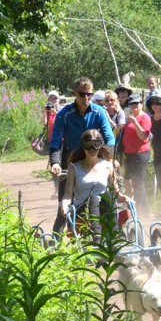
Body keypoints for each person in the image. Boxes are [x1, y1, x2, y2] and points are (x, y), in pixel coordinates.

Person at [49, 77, 116, 236]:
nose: (86, 98)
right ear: (74, 94)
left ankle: (108, 236)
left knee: (105, 198)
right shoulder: (64, 114)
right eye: (82, 94)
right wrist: (55, 163)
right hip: (70, 160)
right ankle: (54, 246)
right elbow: (56, 141)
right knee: (64, 207)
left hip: (94, 157)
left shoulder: (98, 112)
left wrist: (110, 160)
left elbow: (109, 137)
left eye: (90, 95)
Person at [60, 129, 130, 239]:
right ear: (83, 146)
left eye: (96, 145)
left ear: (100, 145)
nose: (92, 149)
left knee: (108, 195)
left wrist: (125, 198)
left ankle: (116, 236)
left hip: (104, 209)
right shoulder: (74, 168)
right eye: (89, 145)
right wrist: (64, 204)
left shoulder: (107, 166)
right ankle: (96, 236)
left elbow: (117, 193)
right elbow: (68, 194)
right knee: (93, 198)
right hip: (82, 211)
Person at [121, 94, 152, 218]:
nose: (134, 106)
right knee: (130, 181)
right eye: (132, 104)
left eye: (137, 103)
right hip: (129, 153)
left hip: (140, 153)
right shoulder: (129, 117)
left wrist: (135, 122)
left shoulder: (144, 117)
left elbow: (143, 136)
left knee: (138, 182)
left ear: (141, 104)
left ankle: (143, 211)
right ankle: (138, 208)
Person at [44, 102, 61, 196]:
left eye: (55, 98)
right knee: (54, 165)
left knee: (62, 164)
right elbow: (44, 123)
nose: (53, 101)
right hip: (52, 141)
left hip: (63, 140)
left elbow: (62, 119)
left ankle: (63, 187)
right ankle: (57, 189)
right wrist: (44, 111)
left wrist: (54, 111)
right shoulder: (47, 112)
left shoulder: (62, 110)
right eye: (51, 98)